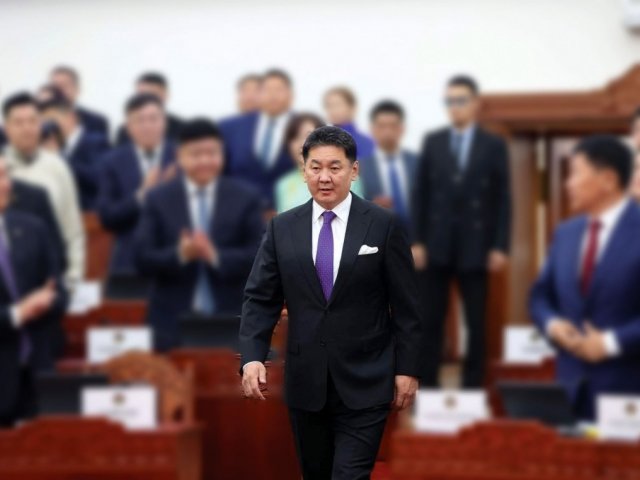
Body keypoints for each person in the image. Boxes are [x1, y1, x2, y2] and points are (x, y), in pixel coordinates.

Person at [240, 126, 422, 479]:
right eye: (316, 167)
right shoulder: (282, 228)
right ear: (303, 170)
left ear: (354, 171)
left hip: (368, 379)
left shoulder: (383, 225)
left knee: (349, 475)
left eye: (335, 167)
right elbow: (260, 298)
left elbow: (407, 305)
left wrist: (408, 368)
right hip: (306, 381)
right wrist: (252, 357)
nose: (324, 177)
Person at [530, 135, 640, 419]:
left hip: (628, 393)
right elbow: (540, 296)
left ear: (608, 179)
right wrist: (553, 325)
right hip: (569, 390)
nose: (568, 184)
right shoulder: (565, 233)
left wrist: (611, 343)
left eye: (576, 174)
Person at [412, 75, 511, 388]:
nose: (454, 107)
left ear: (475, 103)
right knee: (431, 320)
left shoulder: (493, 145)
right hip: (436, 244)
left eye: (461, 100)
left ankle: (473, 388)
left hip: (476, 245)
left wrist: (500, 245)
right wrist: (417, 241)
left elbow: (503, 198)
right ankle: (428, 388)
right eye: (449, 101)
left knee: (476, 323)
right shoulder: (434, 141)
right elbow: (420, 194)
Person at [134, 119, 263, 351]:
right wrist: (181, 254)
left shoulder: (246, 197)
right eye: (195, 154)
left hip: (233, 320)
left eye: (212, 153)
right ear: (179, 156)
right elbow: (142, 258)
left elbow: (260, 257)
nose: (204, 161)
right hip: (171, 323)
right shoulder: (158, 199)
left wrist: (215, 256)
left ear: (222, 154)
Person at [0, 155, 68, 427]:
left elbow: (59, 291)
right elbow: (21, 309)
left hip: (38, 374)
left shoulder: (33, 228)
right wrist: (18, 313)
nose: (6, 184)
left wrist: (48, 300)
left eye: (6, 174)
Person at [2, 92, 85, 290]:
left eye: (32, 121)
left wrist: (73, 277)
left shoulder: (58, 166)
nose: (27, 128)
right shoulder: (1, 169)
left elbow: (73, 229)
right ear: (6, 128)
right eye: (18, 122)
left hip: (51, 277)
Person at [97, 93, 177, 274]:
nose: (147, 126)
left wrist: (170, 191)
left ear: (165, 122)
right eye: (140, 120)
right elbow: (106, 217)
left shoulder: (181, 157)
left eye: (153, 119)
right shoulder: (111, 162)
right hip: (129, 262)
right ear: (128, 127)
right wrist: (142, 194)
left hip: (176, 260)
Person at [220, 68, 295, 209]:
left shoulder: (303, 127)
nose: (273, 95)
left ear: (291, 95)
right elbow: (220, 173)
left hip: (289, 212)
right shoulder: (230, 128)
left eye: (279, 90)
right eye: (267, 90)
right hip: (239, 210)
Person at [275, 113, 365, 213]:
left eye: (308, 136)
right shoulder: (283, 184)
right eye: (295, 137)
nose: (301, 144)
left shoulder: (349, 178)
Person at [40, 94, 109, 211]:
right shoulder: (50, 146)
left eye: (52, 120)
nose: (50, 127)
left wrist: (60, 157)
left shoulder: (96, 142)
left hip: (88, 212)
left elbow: (98, 179)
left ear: (71, 117)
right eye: (44, 122)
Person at [359, 100, 417, 231]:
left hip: (416, 237)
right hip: (377, 236)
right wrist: (371, 207)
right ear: (372, 129)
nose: (387, 132)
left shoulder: (418, 163)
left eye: (393, 126)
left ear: (402, 129)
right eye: (382, 126)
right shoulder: (360, 167)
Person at [115, 72, 184, 146]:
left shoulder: (181, 128)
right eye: (141, 95)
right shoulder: (125, 130)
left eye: (152, 95)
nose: (146, 99)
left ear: (166, 95)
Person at [49, 65, 109, 138]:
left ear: (77, 89)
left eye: (64, 85)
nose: (59, 91)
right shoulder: (39, 121)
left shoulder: (97, 122)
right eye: (55, 86)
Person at [324, 86, 374, 159]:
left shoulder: (365, 142)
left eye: (337, 105)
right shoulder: (322, 141)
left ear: (351, 108)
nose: (332, 110)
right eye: (329, 106)